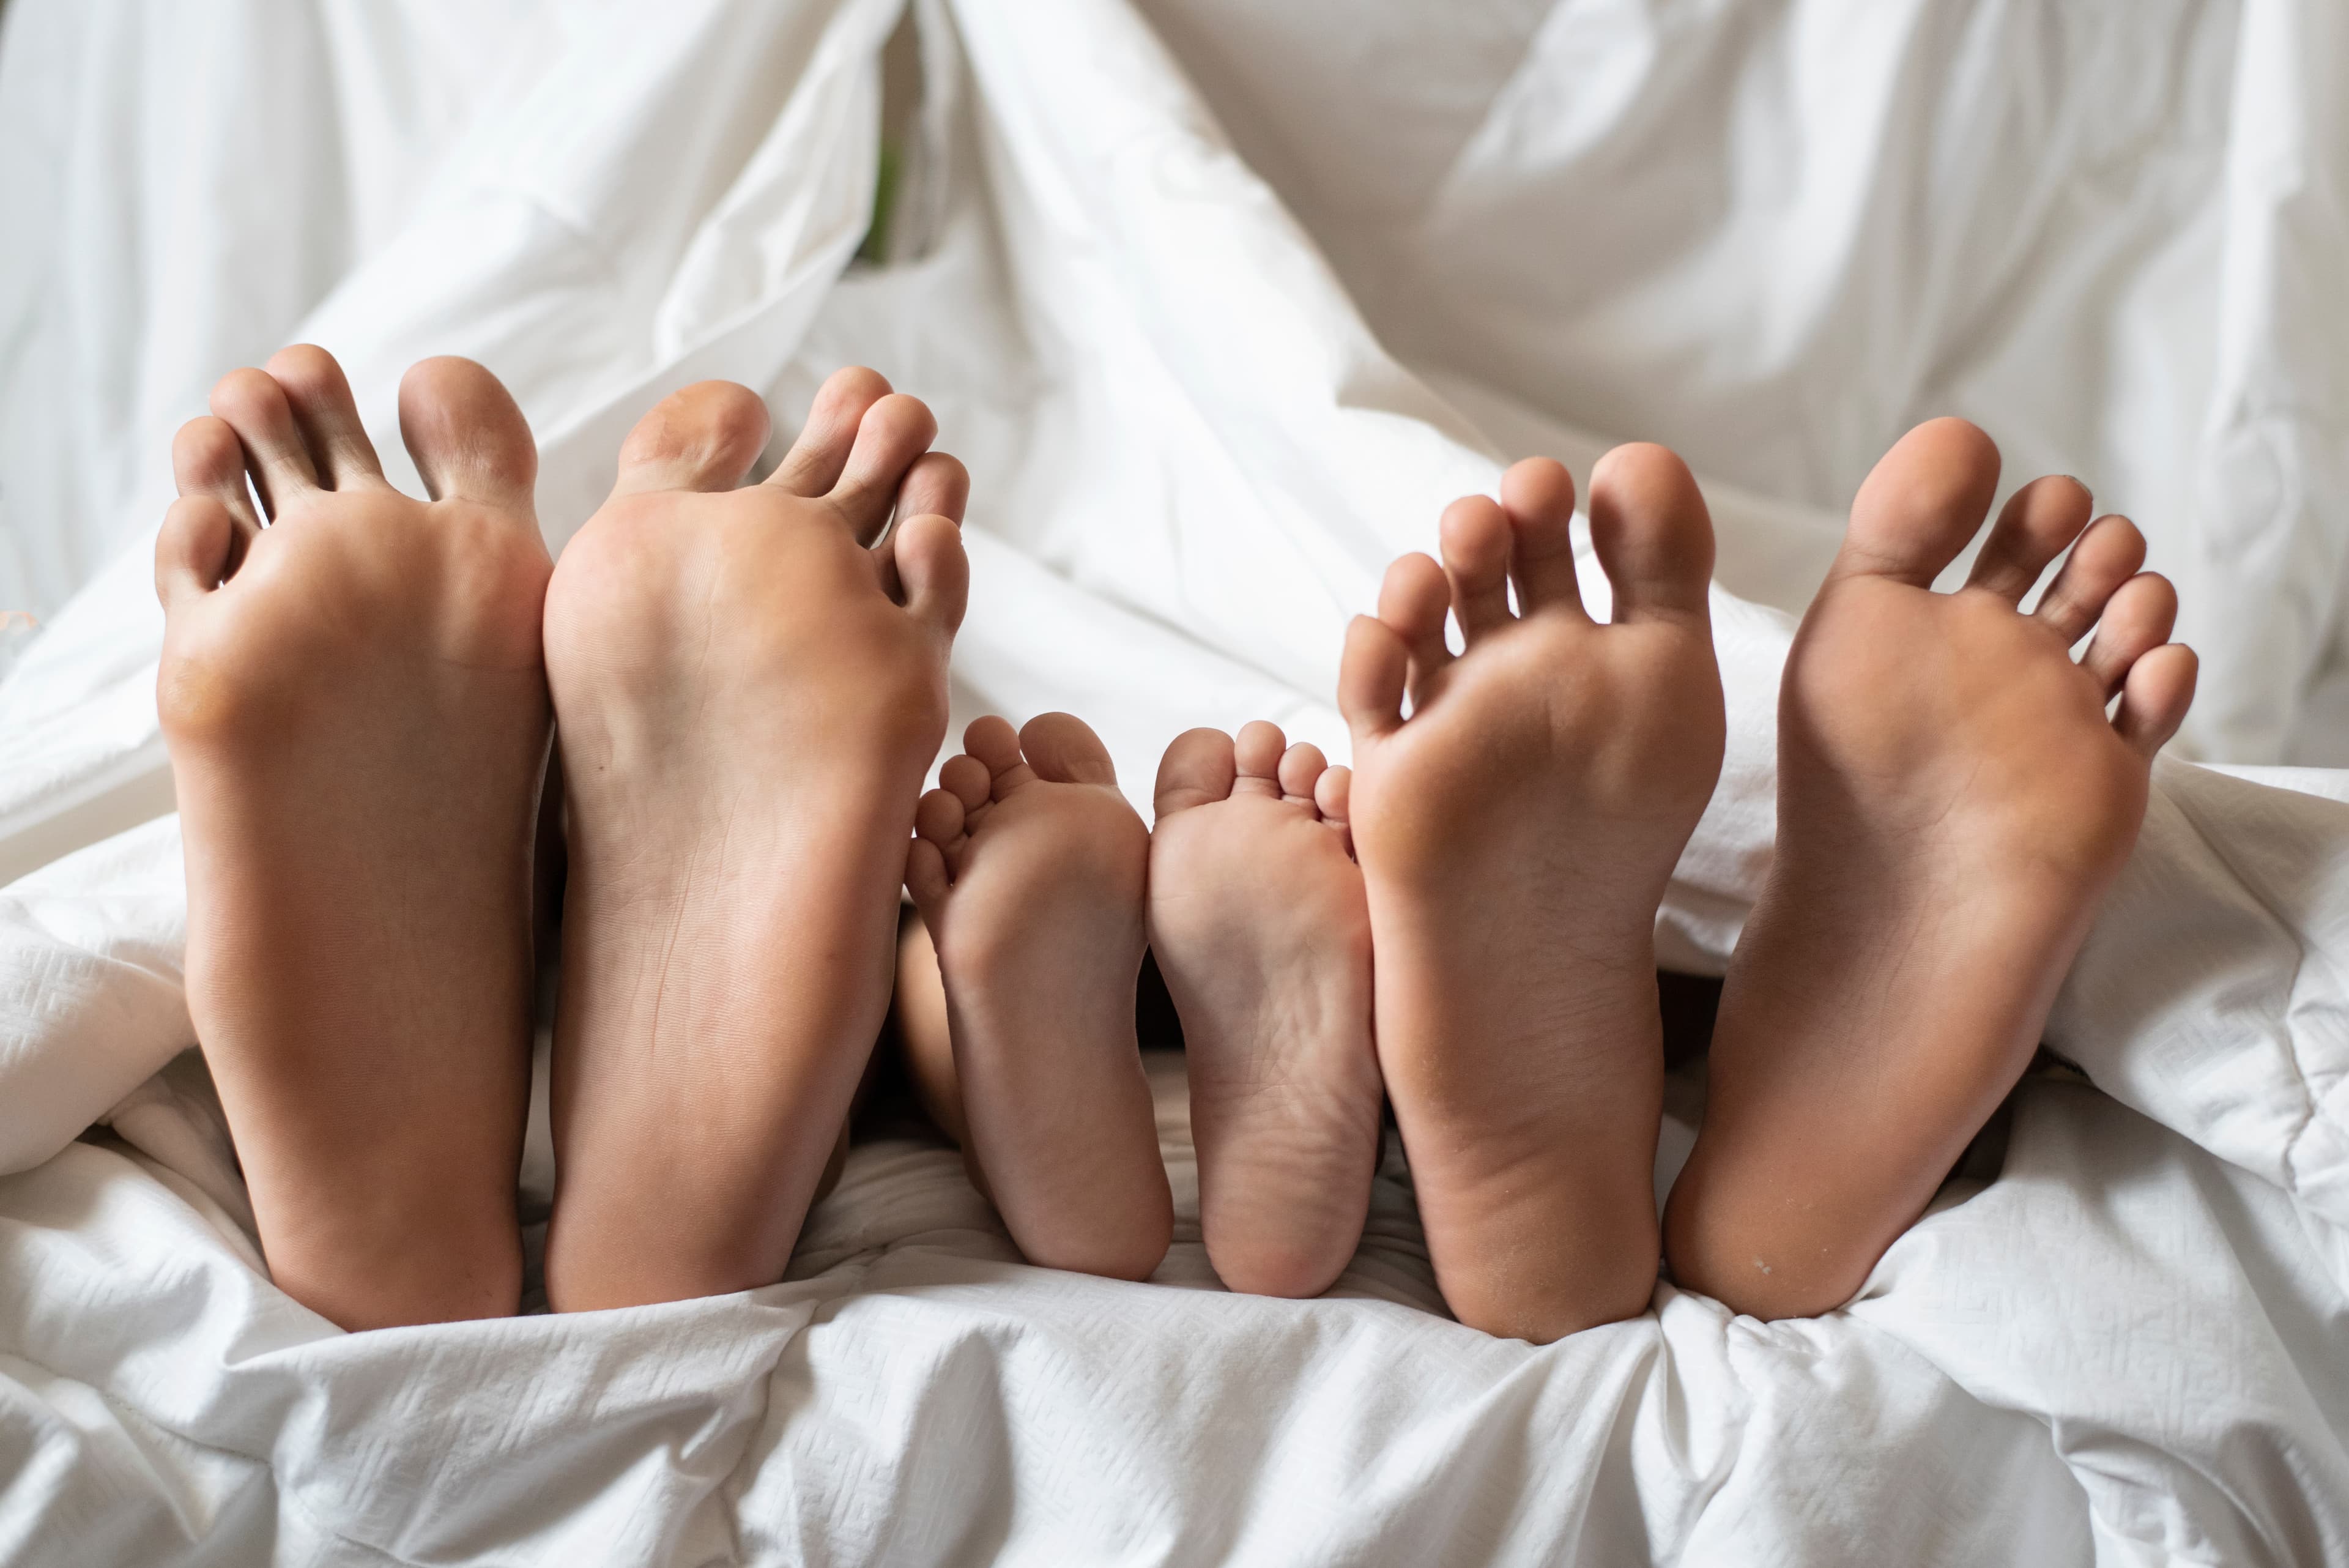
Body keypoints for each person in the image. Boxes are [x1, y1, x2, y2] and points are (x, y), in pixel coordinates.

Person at [154, 347, 2194, 1337]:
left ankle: (551, 1188)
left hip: (947, 903)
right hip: (1185, 898)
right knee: (985, 858)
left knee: (943, 889)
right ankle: (1728, 1195)